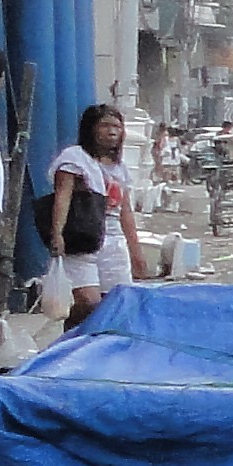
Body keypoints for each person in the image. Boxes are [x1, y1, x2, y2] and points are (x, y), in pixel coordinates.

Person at [45, 103, 141, 332]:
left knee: (115, 305)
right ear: (91, 129)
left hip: (113, 244)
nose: (112, 132)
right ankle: (70, 341)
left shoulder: (119, 168)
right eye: (105, 126)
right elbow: (63, 196)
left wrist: (136, 251)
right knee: (88, 302)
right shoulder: (74, 158)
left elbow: (125, 212)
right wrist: (57, 233)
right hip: (83, 240)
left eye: (117, 126)